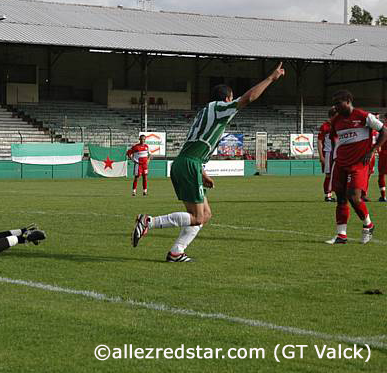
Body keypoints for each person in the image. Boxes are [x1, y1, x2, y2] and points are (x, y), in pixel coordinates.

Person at [132, 62, 285, 262]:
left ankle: (176, 252)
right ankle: (148, 222)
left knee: (205, 214)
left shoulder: (206, 112)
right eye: (231, 98)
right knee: (196, 217)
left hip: (189, 164)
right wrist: (271, 78)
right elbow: (249, 98)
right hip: (188, 164)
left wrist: (203, 174)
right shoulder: (219, 108)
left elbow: (196, 144)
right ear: (227, 98)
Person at [325, 90, 387, 245]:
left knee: (354, 197)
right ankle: (341, 235)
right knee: (340, 199)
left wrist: (372, 150)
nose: (336, 106)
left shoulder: (363, 116)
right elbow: (334, 140)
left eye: (338, 103)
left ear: (348, 101)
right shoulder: (336, 121)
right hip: (340, 163)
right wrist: (335, 157)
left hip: (358, 164)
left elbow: (384, 131)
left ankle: (368, 225)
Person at [317, 107, 337, 202]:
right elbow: (319, 141)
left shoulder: (339, 125)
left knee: (337, 175)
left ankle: (337, 194)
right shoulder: (325, 126)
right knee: (328, 175)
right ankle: (328, 195)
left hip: (338, 153)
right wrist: (321, 156)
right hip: (328, 152)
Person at [378, 115, 387, 202]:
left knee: (381, 175)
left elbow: (378, 141)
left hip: (384, 153)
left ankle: (383, 196)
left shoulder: (383, 128)